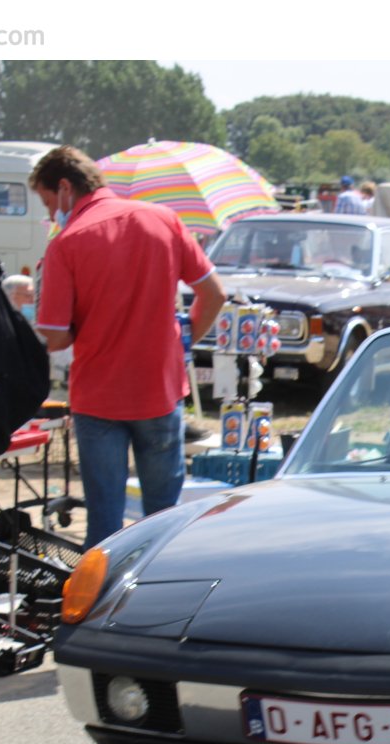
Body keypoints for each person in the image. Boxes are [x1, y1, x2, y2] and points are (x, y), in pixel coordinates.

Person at [29, 146, 226, 549]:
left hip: (99, 398)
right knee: (164, 521)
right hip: (160, 389)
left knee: (105, 526)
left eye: (49, 203)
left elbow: (55, 336)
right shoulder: (164, 220)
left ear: (65, 188)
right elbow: (214, 293)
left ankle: (103, 609)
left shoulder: (66, 243)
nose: (51, 215)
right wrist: (184, 339)